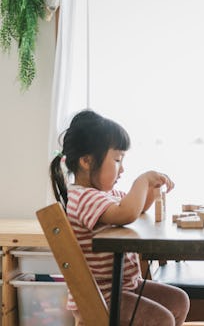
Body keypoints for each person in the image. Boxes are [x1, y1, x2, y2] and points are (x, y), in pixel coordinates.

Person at [49, 110, 189, 325]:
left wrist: (152, 189)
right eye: (117, 160)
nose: (122, 169)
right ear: (86, 161)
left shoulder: (104, 195)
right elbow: (126, 213)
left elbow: (136, 208)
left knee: (179, 300)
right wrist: (142, 180)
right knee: (161, 319)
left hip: (124, 285)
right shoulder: (84, 197)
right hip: (102, 295)